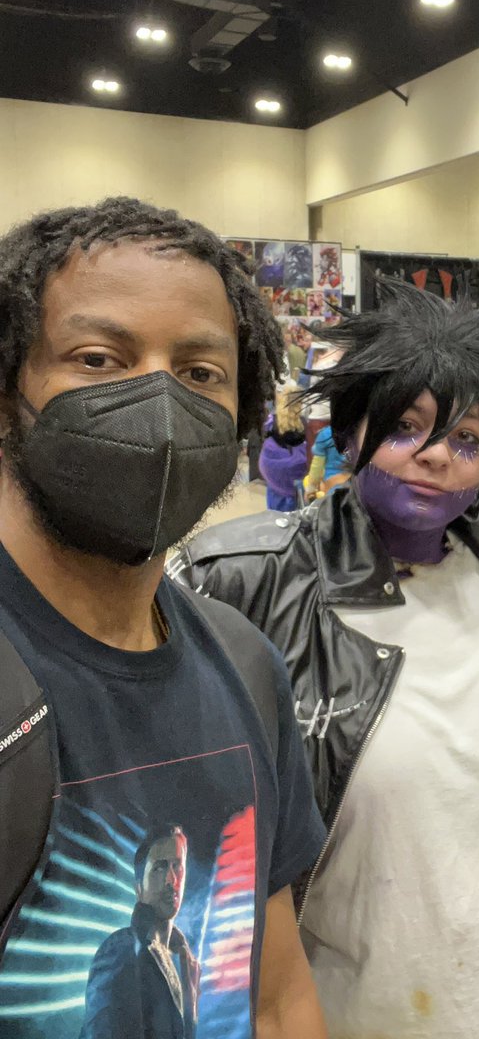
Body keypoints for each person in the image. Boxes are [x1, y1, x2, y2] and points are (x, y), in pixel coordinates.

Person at [168, 280, 479, 1039]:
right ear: (353, 431)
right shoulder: (242, 581)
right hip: (347, 1016)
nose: (435, 456)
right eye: (406, 427)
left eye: (466, 441)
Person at [0, 198, 327, 1039]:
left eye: (200, 372)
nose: (158, 399)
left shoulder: (245, 664)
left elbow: (275, 996)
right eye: (98, 359)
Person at [81, 824, 199, 1039]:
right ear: (138, 888)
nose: (171, 880)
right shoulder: (120, 950)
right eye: (159, 868)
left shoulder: (185, 961)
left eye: (177, 866)